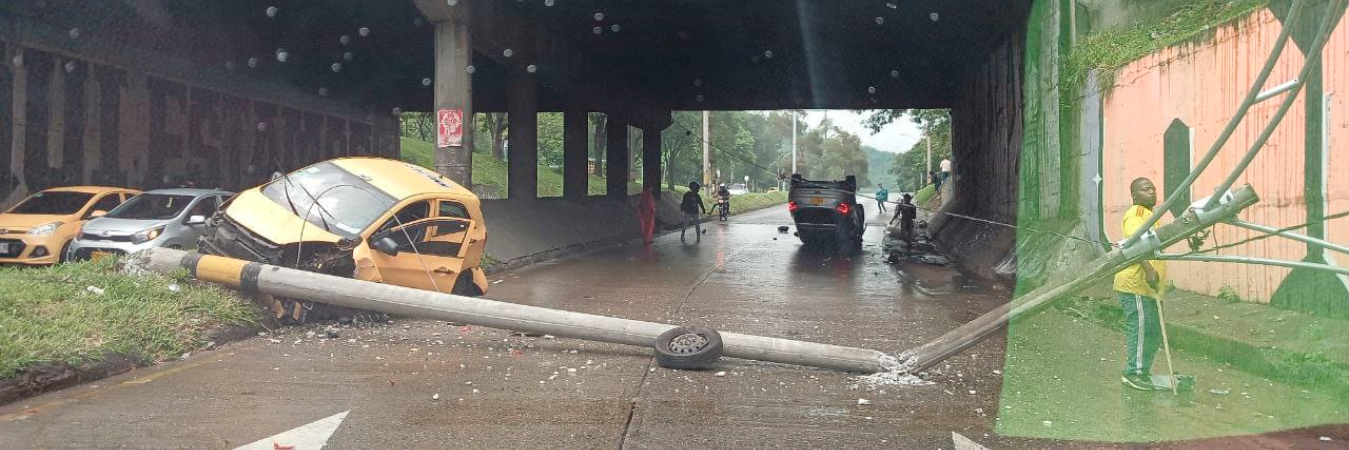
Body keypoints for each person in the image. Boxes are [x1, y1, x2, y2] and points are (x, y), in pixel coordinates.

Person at [1115, 177, 1168, 391]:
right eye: (1146, 189)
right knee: (1141, 328)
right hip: (1135, 284)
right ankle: (1133, 373)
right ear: (1135, 195)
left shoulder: (1150, 215)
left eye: (1153, 188)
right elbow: (1134, 243)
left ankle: (1142, 371)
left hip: (1150, 288)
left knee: (1153, 331)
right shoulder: (1136, 213)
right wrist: (1148, 270)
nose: (1152, 192)